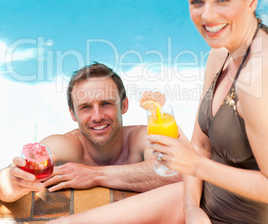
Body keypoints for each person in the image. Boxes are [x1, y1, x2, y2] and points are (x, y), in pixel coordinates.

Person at [0, 0, 267, 224]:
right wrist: (192, 206)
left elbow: (200, 162)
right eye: (197, 2)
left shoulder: (258, 78)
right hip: (206, 202)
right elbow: (200, 145)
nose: (207, 15)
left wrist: (194, 167)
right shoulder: (220, 55)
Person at [0, 63, 181, 203]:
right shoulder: (63, 146)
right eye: (86, 107)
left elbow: (179, 174)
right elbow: (6, 181)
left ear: (124, 105)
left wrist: (94, 175)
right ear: (73, 114)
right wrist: (14, 184)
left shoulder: (144, 137)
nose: (97, 116)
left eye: (106, 104)